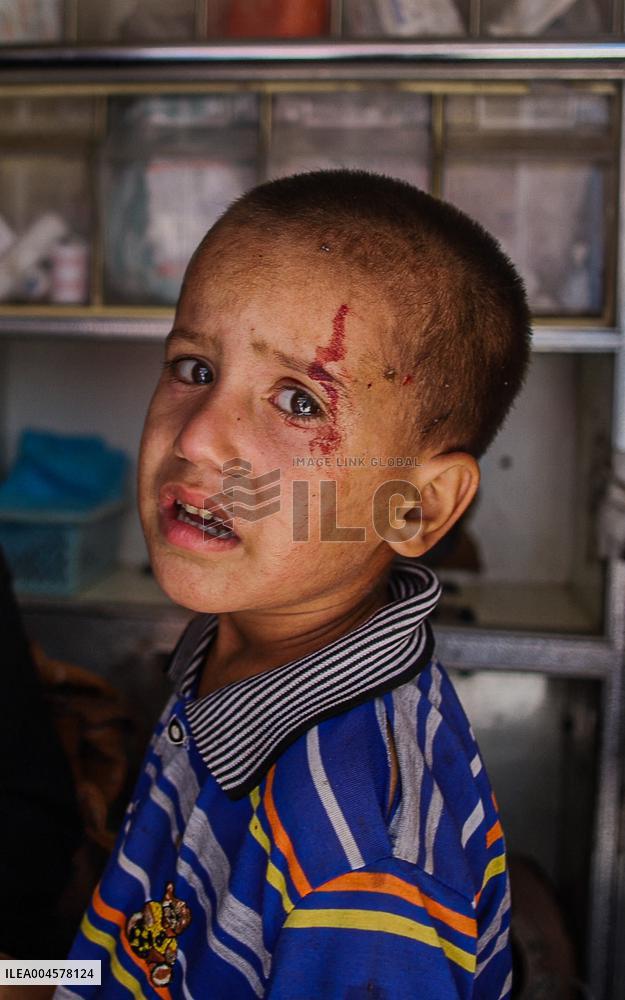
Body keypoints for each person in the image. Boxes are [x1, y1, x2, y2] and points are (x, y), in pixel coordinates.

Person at [57, 170, 530, 998]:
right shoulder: (230, 644)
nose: (198, 438)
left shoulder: (359, 866)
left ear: (415, 506)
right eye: (194, 367)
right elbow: (128, 957)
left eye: (299, 402)